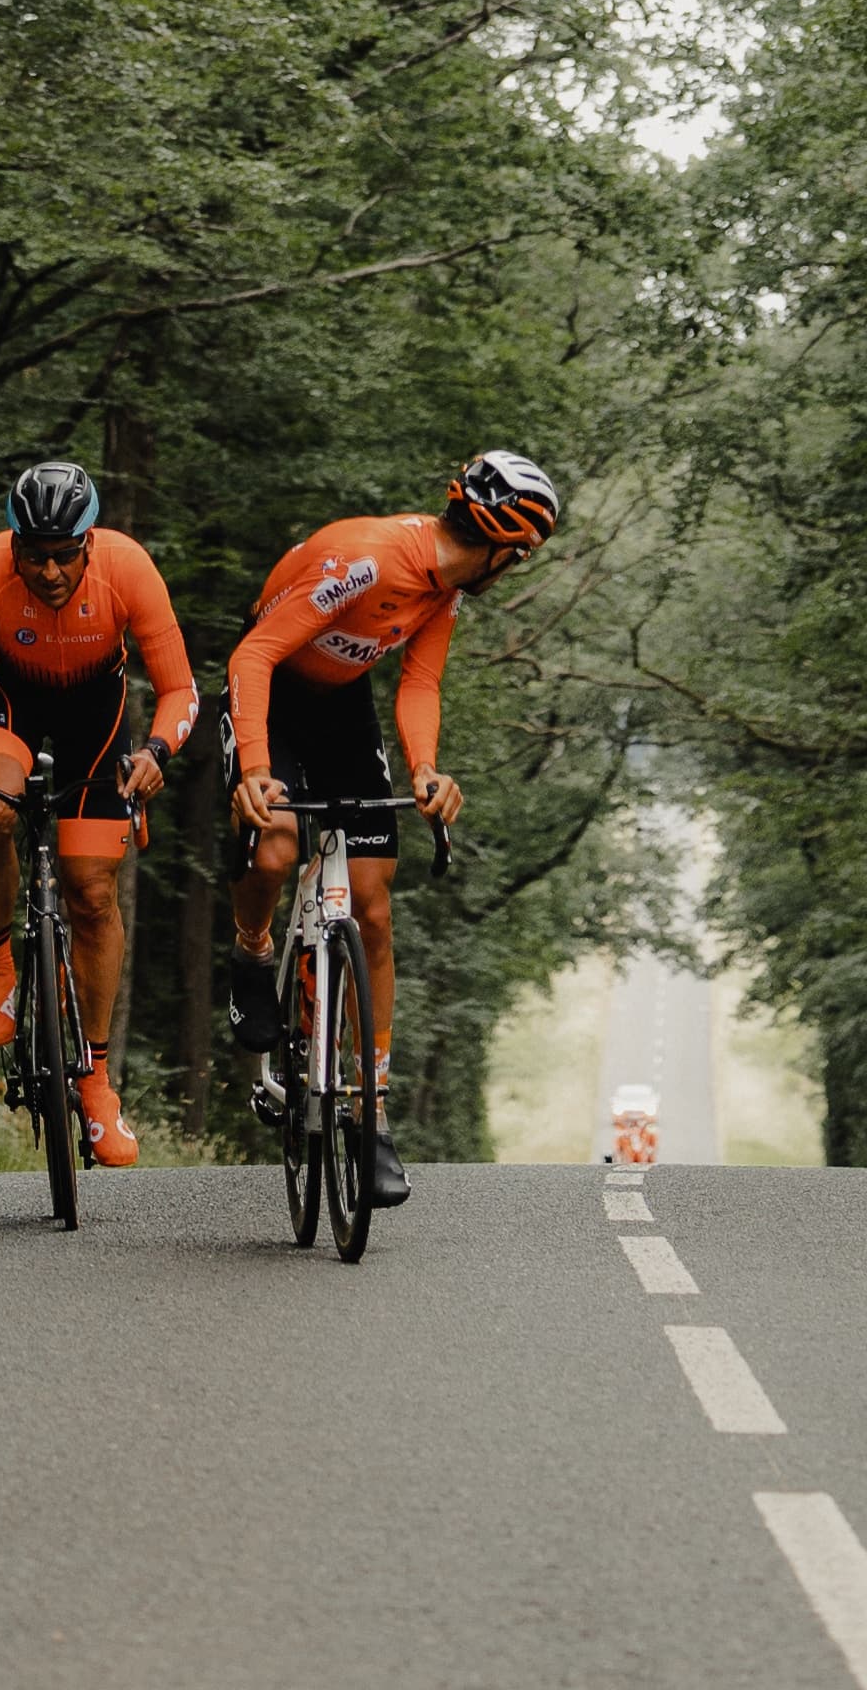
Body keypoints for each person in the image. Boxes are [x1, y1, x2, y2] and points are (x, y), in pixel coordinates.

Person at [220, 447, 560, 1205]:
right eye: (522, 556)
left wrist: (426, 770)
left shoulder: (446, 589)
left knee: (372, 907)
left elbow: (420, 683)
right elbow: (255, 654)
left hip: (342, 706)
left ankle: (369, 1117)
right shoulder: (369, 562)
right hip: (271, 690)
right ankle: (252, 953)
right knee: (275, 845)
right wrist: (252, 769)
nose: (516, 568)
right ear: (504, 545)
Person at [0, 458, 196, 1165]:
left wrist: (157, 750)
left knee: (91, 889)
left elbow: (181, 689)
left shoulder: (128, 570)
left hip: (94, 713)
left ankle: (96, 1082)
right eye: (34, 558)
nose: (51, 573)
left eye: (66, 556)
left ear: (89, 544)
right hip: (6, 699)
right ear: (13, 548)